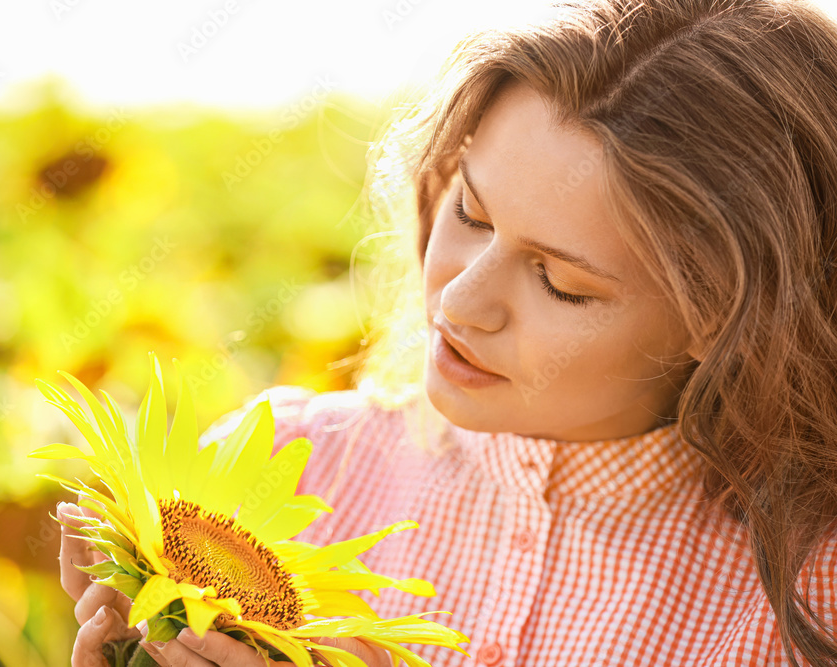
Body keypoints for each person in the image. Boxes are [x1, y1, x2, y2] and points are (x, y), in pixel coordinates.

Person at [59, 0, 837, 664]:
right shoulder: (278, 472)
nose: (462, 301)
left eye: (559, 282)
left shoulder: (808, 595)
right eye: (470, 212)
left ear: (731, 316)